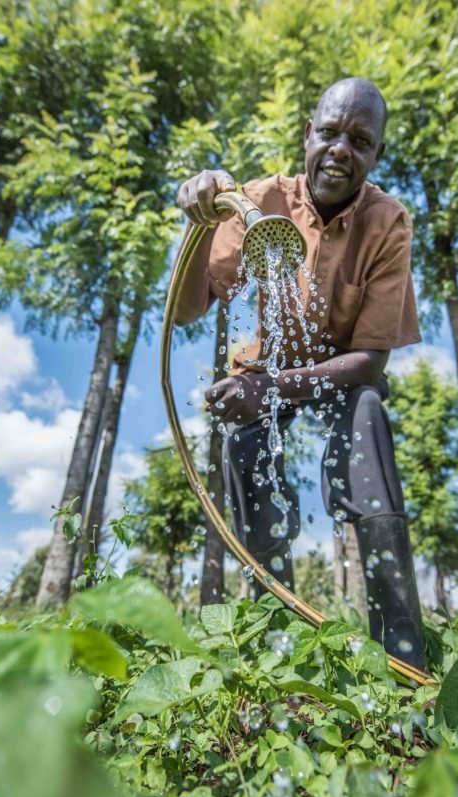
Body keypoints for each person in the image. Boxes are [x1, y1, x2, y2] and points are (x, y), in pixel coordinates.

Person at [174, 78, 426, 671]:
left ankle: (405, 651)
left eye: (360, 140)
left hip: (340, 370)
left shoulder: (389, 224)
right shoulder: (256, 201)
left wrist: (278, 385)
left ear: (375, 156)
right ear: (307, 135)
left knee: (366, 418)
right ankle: (274, 633)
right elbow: (187, 311)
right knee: (246, 438)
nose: (342, 149)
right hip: (268, 364)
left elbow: (370, 358)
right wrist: (201, 223)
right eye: (331, 132)